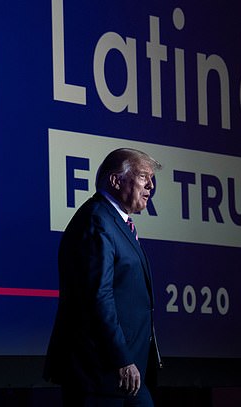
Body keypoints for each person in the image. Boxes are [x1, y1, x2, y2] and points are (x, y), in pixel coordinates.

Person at [44, 148, 163, 407]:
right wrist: (120, 357)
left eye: (151, 179)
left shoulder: (116, 222)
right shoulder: (96, 220)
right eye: (144, 177)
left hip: (125, 373)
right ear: (116, 180)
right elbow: (98, 296)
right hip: (101, 372)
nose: (151, 186)